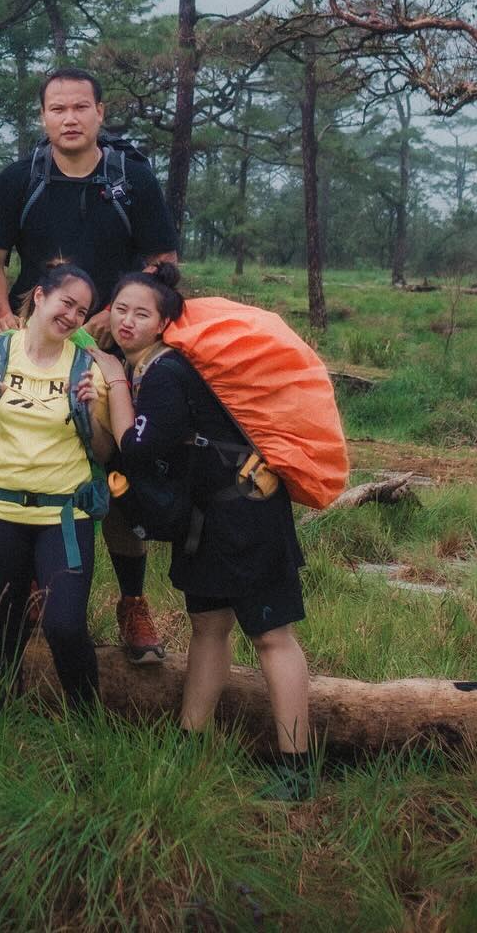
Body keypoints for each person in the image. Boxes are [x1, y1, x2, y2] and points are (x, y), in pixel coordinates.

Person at [90, 265, 313, 801]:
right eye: (120, 309)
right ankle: (191, 744)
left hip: (246, 515)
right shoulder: (153, 368)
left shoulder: (165, 374)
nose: (127, 321)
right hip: (210, 519)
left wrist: (114, 379)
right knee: (208, 626)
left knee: (271, 635)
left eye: (141, 313)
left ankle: (298, 768)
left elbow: (138, 451)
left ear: (164, 322)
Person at [0, 66, 178, 665]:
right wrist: (7, 326)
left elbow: (162, 265)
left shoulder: (132, 181)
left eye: (80, 108)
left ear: (99, 113)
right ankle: (35, 592)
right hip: (33, 341)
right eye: (57, 109)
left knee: (118, 470)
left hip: (113, 344)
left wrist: (114, 319)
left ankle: (131, 601)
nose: (69, 119)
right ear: (43, 117)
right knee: (28, 457)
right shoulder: (21, 179)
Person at [0, 264, 112, 702]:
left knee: (64, 624)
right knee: (4, 625)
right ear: (39, 296)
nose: (73, 316)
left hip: (64, 514)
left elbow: (104, 452)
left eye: (82, 311)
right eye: (67, 302)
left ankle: (86, 719)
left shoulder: (87, 368)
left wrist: (93, 411)